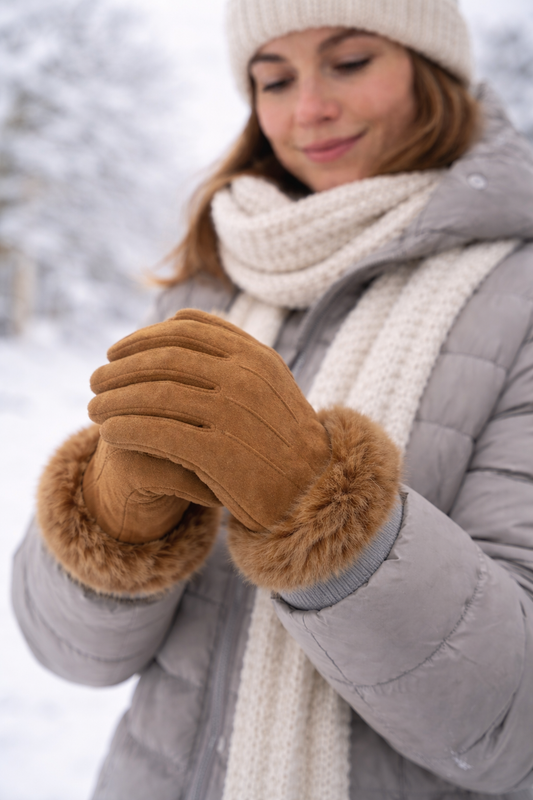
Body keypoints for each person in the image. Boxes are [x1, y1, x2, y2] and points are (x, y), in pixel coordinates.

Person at [11, 0, 533, 797]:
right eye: (272, 79)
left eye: (349, 61)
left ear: (434, 72)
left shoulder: (521, 297)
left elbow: (511, 730)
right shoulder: (214, 277)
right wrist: (111, 522)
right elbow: (72, 658)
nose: (308, 108)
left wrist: (322, 511)